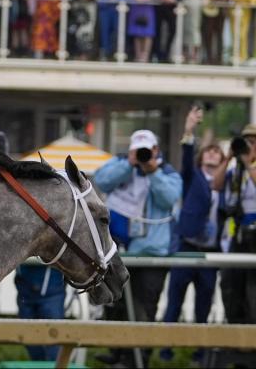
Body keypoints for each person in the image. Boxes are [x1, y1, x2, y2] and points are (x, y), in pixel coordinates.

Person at [94, 129, 182, 366]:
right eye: (138, 150)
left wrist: (152, 171)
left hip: (151, 252)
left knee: (145, 305)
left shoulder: (168, 172)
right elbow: (101, 180)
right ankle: (117, 352)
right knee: (116, 302)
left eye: (147, 150)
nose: (143, 154)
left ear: (156, 151)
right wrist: (128, 164)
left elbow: (169, 198)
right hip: (118, 251)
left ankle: (138, 356)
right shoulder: (121, 164)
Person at [160, 106, 224, 363]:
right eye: (209, 150)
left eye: (217, 151)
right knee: (174, 302)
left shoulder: (227, 180)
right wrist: (189, 130)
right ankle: (165, 350)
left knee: (204, 305)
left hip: (211, 251)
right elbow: (187, 155)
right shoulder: (192, 176)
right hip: (186, 245)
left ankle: (201, 351)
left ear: (222, 159)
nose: (212, 153)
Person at [212, 123, 256, 324]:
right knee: (231, 284)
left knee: (252, 287)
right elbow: (216, 184)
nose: (249, 147)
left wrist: (249, 163)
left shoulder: (249, 169)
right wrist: (229, 156)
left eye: (254, 143)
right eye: (246, 143)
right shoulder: (234, 171)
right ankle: (235, 332)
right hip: (236, 233)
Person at [14, 265, 65, 361]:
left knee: (54, 338)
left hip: (52, 293)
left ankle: (52, 364)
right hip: (25, 293)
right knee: (29, 338)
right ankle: (40, 362)